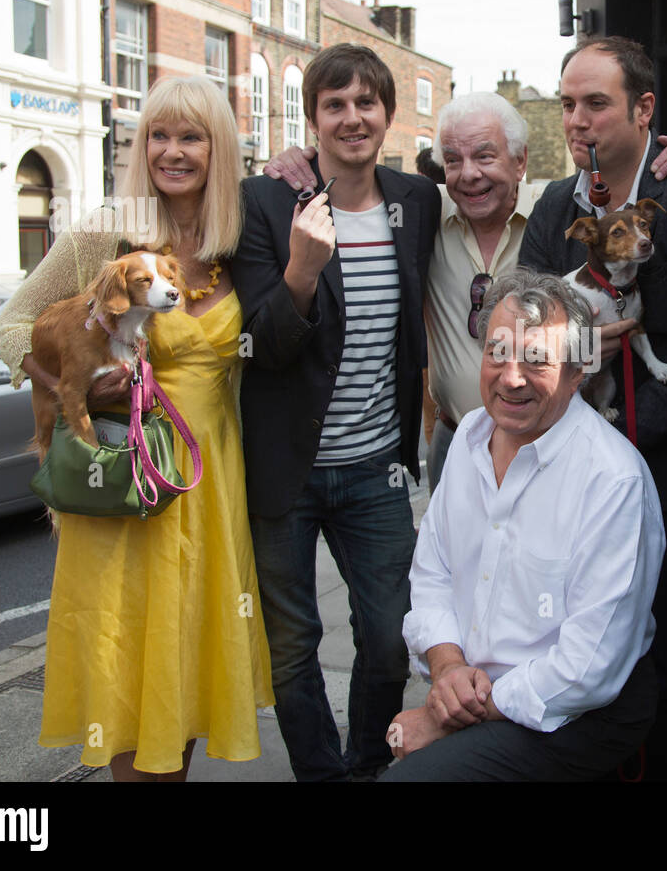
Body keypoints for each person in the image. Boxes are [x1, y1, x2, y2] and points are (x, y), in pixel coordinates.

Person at [0, 76, 275, 781]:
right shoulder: (104, 232)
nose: (172, 152)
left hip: (207, 487)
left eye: (191, 137)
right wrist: (74, 386)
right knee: (127, 672)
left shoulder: (235, 240)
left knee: (179, 672)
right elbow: (12, 326)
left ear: (218, 150)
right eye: (159, 135)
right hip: (123, 488)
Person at [263, 97, 667, 492]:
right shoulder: (425, 211)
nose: (469, 175)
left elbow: (627, 193)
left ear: (520, 162)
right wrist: (300, 158)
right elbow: (356, 176)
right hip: (453, 438)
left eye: (485, 156)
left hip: (543, 438)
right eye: (454, 160)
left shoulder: (555, 211)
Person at [233, 43, 439, 781]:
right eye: (334, 105)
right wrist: (301, 271)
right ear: (313, 118)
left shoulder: (416, 201)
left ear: (387, 114)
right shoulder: (266, 201)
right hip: (285, 472)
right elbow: (260, 343)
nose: (352, 117)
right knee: (292, 646)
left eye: (366, 103)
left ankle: (363, 769)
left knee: (389, 638)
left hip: (376, 466)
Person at [518, 36, 667, 781]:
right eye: (568, 103)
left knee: (666, 645)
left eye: (595, 104)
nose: (576, 120)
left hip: (666, 474)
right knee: (573, 641)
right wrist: (568, 354)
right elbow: (521, 322)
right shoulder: (551, 204)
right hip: (570, 470)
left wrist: (627, 433)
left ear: (644, 109)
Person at [379, 268, 664, 780]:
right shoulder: (470, 435)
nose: (511, 377)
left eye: (537, 359)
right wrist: (445, 669)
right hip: (475, 687)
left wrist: (448, 718)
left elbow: (587, 668)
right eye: (497, 353)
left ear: (579, 372)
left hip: (574, 710)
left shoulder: (612, 480)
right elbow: (434, 574)